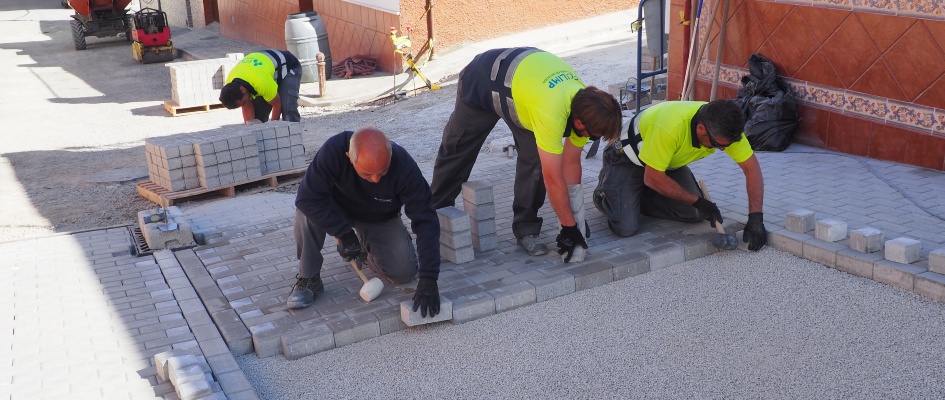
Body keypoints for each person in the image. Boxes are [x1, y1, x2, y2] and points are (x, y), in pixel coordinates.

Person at [430, 47, 623, 262]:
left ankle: (526, 229)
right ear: (579, 123)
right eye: (593, 136)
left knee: (535, 163)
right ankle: (434, 216)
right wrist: (569, 227)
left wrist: (576, 216)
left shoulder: (585, 106)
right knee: (457, 151)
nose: (592, 139)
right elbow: (554, 179)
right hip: (483, 81)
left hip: (524, 96)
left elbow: (570, 163)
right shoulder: (552, 111)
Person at [289, 128, 442, 317]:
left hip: (377, 216)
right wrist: (342, 232)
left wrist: (429, 279)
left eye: (383, 171)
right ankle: (308, 278)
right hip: (336, 211)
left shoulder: (404, 166)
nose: (376, 179)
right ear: (349, 158)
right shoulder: (333, 151)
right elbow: (307, 198)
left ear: (391, 154)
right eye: (367, 175)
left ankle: (363, 249)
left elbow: (426, 220)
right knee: (306, 214)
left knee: (404, 272)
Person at [592, 99, 768, 250]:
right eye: (716, 144)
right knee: (625, 227)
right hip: (627, 159)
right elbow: (653, 177)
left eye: (725, 145)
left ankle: (640, 193)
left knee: (695, 214)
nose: (722, 149)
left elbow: (752, 170)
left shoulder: (727, 131)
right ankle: (606, 194)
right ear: (700, 129)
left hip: (665, 164)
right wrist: (699, 200)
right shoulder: (670, 126)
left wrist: (755, 218)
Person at [219, 49, 302, 123]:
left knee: (288, 107)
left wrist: (273, 129)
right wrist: (251, 127)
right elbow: (247, 107)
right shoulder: (231, 85)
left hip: (289, 66)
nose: (244, 104)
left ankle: (294, 136)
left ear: (242, 89)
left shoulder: (260, 82)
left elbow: (277, 104)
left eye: (243, 102)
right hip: (264, 69)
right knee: (258, 117)